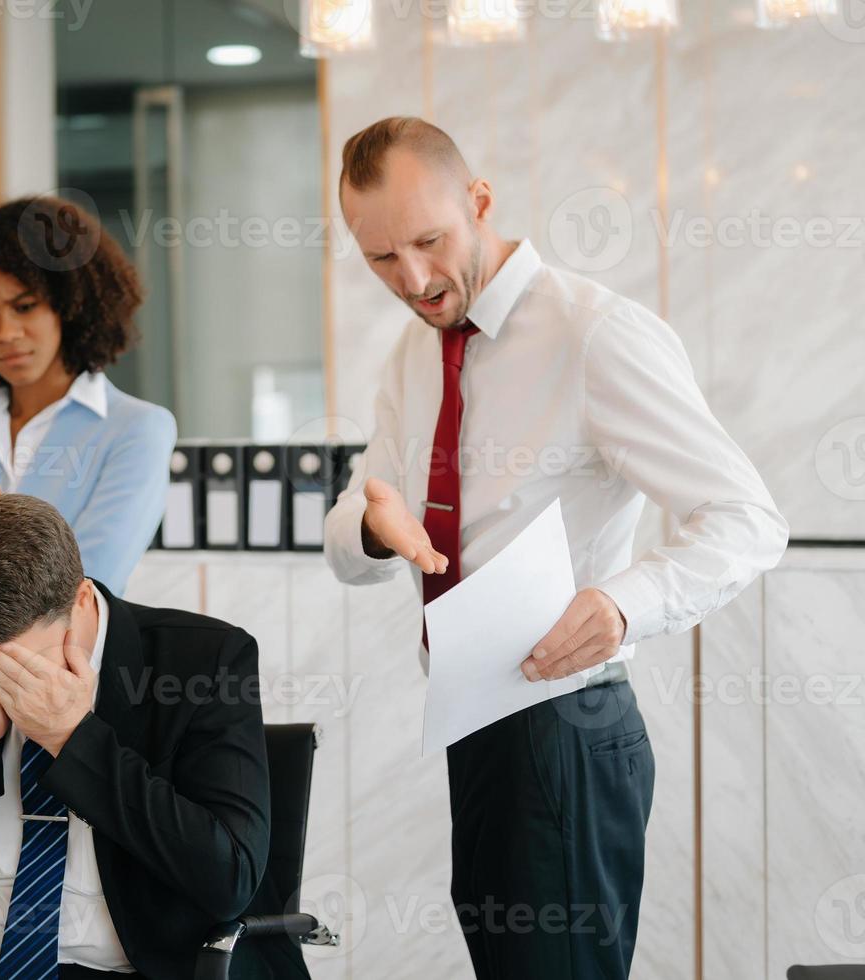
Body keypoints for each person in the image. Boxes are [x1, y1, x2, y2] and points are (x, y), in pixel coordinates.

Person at [323, 117, 788, 977]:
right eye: (382, 258)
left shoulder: (593, 333)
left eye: (430, 241)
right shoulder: (413, 355)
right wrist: (372, 527)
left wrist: (622, 604)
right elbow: (357, 525)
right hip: (474, 724)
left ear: (481, 201)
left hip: (566, 728)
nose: (415, 279)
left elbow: (746, 517)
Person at [0, 494, 309, 980]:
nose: (4, 682)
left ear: (80, 601)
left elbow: (228, 877)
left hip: (144, 968)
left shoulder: (203, 662)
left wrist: (73, 740)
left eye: (23, 664)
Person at [0, 196, 176, 649]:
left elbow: (89, 590)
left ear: (69, 303)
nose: (5, 333)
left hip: (74, 696)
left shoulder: (136, 430)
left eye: (25, 306)